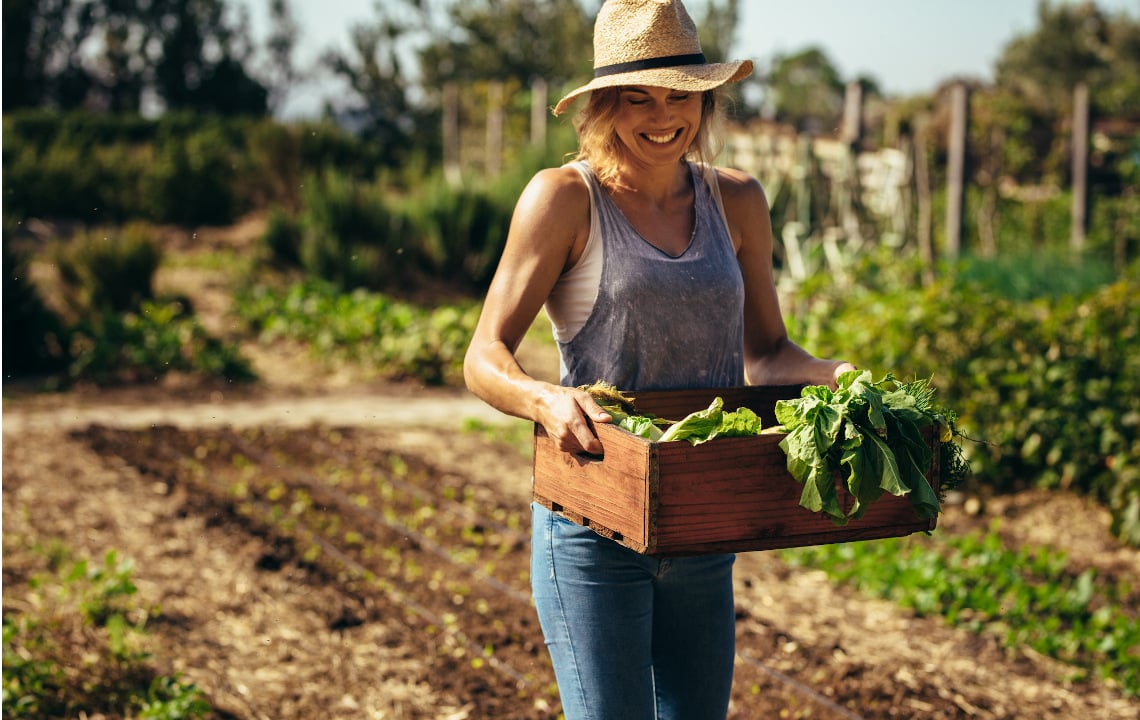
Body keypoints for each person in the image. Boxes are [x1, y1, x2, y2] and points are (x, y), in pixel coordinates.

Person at [463, 1, 855, 717]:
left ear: (704, 100)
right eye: (638, 96)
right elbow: (483, 356)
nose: (663, 115)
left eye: (680, 95)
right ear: (603, 104)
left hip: (703, 520)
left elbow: (766, 353)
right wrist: (547, 400)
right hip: (593, 526)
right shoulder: (563, 198)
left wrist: (843, 380)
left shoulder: (736, 200)